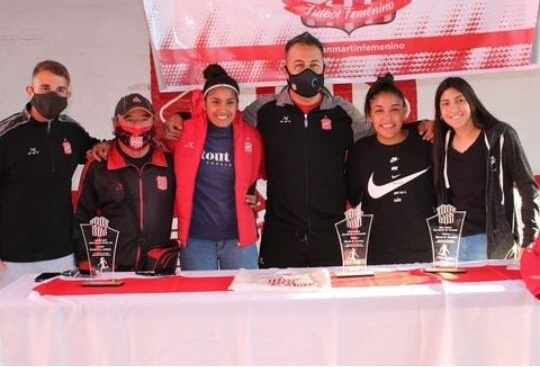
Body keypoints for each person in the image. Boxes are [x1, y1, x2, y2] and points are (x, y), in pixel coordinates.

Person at [164, 32, 432, 268]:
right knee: (279, 317)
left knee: (331, 313)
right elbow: (222, 119)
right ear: (286, 69)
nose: (308, 70)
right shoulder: (263, 112)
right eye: (299, 64)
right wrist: (183, 117)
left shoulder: (344, 114)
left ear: (324, 66)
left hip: (331, 234)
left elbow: (384, 130)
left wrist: (422, 125)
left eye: (314, 64)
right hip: (281, 235)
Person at [0, 60, 98, 287]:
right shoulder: (7, 135)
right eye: (45, 88)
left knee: (60, 322)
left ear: (68, 94)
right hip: (11, 258)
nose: (52, 95)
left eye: (60, 90)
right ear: (30, 90)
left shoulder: (72, 130)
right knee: (9, 322)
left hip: (60, 254)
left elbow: (97, 149)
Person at [433, 77, 539, 260]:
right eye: (446, 103)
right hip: (451, 245)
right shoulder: (442, 142)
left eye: (460, 100)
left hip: (491, 243)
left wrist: (529, 240)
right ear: (440, 111)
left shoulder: (500, 136)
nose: (454, 109)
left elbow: (528, 188)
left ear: (472, 102)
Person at [171, 64, 263, 270]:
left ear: (238, 104)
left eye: (230, 102)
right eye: (215, 102)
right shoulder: (184, 132)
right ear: (204, 103)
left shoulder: (252, 136)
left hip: (239, 238)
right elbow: (156, 146)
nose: (223, 109)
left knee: (245, 299)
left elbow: (267, 172)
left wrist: (258, 200)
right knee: (200, 301)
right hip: (196, 239)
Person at [73, 93, 176, 271]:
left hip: (157, 268)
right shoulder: (98, 166)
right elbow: (82, 217)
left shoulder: (169, 163)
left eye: (144, 119)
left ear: (153, 122)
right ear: (115, 122)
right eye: (129, 119)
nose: (137, 126)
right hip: (112, 270)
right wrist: (85, 262)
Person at [347, 74, 434, 265]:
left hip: (426, 253)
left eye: (394, 109)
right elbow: (350, 201)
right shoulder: (359, 152)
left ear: (405, 111)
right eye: (379, 110)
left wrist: (437, 125)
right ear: (369, 115)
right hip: (378, 255)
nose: (387, 117)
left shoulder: (426, 142)